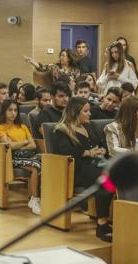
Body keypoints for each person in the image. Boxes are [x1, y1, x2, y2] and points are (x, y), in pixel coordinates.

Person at [53, 97, 113, 242]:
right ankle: (102, 224)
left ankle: (120, 218)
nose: (89, 114)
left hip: (95, 165)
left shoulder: (88, 126)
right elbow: (64, 150)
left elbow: (100, 143)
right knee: (106, 182)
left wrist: (102, 150)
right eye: (85, 111)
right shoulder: (62, 130)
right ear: (75, 112)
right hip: (76, 169)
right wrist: (88, 152)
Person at [0, 100, 41, 214]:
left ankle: (43, 198)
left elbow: (33, 145)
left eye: (15, 110)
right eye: (10, 110)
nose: (13, 113)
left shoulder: (23, 126)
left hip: (28, 155)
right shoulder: (0, 128)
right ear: (4, 111)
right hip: (11, 157)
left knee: (48, 162)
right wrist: (25, 142)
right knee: (35, 167)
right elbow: (9, 146)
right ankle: (34, 199)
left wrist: (18, 145)